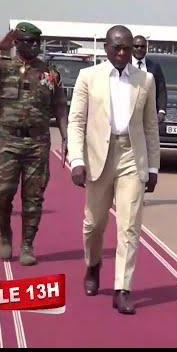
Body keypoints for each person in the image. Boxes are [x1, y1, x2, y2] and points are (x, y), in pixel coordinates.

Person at [68, 25, 159, 315]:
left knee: (129, 225)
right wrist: (77, 161)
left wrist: (154, 166)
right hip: (98, 157)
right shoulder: (88, 77)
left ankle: (122, 288)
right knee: (93, 224)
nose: (122, 53)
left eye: (127, 48)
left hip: (132, 156)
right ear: (106, 47)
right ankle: (93, 265)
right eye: (116, 47)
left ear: (133, 49)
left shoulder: (145, 80)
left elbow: (150, 127)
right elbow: (76, 122)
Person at [0, 22, 68, 265]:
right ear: (17, 43)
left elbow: (60, 106)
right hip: (7, 140)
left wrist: (66, 137)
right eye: (28, 41)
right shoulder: (2, 67)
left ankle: (27, 245)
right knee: (2, 193)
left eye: (37, 42)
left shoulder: (50, 72)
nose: (34, 46)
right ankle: (5, 233)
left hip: (37, 142)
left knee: (33, 198)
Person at [131, 35, 167, 124]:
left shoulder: (154, 67)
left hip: (148, 114)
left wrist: (161, 111)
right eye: (136, 46)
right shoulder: (124, 65)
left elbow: (161, 90)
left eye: (142, 47)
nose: (139, 49)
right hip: (129, 112)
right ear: (131, 47)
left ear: (146, 48)